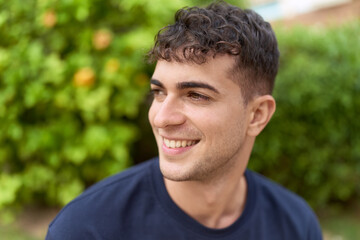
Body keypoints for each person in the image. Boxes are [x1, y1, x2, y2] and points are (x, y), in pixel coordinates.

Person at [46, 1, 323, 239]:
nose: (162, 118)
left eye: (196, 95)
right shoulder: (86, 229)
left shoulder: (296, 225)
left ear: (257, 115)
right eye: (159, 92)